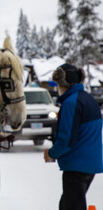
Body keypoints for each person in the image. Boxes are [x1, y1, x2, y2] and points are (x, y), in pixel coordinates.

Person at [44, 63, 103, 210]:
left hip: (76, 166)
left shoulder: (71, 102)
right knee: (67, 204)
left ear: (64, 84)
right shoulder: (88, 99)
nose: (57, 88)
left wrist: (51, 153)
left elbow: (66, 139)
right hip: (90, 165)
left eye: (58, 84)